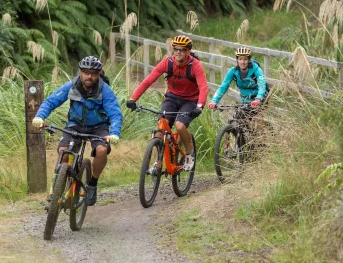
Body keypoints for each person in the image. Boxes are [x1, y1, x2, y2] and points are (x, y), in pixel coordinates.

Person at [32, 56, 123, 206]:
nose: (89, 76)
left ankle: (92, 184)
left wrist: (114, 132)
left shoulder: (105, 90)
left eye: (93, 73)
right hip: (75, 124)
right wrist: (39, 117)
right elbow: (51, 101)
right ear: (80, 72)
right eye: (86, 72)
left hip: (98, 127)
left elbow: (115, 113)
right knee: (63, 151)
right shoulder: (71, 86)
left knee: (101, 150)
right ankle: (58, 185)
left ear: (98, 74)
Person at [126, 35, 208, 171]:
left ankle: (189, 154)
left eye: (182, 49)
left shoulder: (195, 65)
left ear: (188, 51)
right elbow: (148, 81)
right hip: (172, 97)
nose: (178, 52)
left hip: (191, 100)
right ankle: (158, 163)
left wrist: (200, 106)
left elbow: (203, 87)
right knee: (160, 129)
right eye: (175, 49)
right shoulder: (167, 62)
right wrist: (133, 98)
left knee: (180, 126)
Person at [208, 47, 268, 120]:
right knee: (239, 119)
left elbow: (262, 85)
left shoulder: (256, 70)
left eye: (245, 59)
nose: (242, 62)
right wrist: (214, 101)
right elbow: (223, 86)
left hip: (260, 98)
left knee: (249, 119)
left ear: (249, 60)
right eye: (240, 59)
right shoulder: (233, 71)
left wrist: (258, 99)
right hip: (245, 100)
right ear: (237, 60)